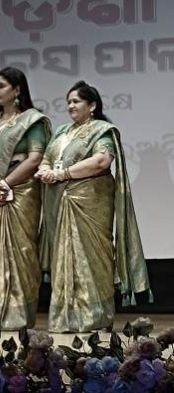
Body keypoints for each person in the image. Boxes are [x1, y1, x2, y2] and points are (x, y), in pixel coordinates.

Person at [36, 81, 151, 333]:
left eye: (76, 101)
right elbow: (46, 158)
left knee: (92, 257)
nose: (70, 106)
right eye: (68, 101)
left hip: (90, 203)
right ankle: (66, 318)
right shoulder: (62, 131)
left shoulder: (102, 131)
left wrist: (62, 174)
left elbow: (101, 161)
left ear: (92, 106)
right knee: (64, 259)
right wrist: (45, 170)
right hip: (60, 202)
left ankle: (96, 318)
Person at [0, 67, 51, 331]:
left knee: (19, 251)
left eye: (2, 86)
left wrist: (6, 184)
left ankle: (17, 316)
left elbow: (35, 158)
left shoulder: (32, 120)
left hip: (19, 193)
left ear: (17, 90)